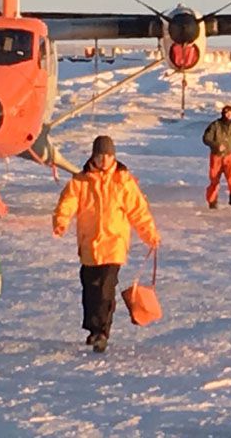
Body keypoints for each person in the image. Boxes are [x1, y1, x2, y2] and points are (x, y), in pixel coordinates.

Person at [52, 135, 161, 353]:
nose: (104, 160)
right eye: (100, 156)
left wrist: (149, 234)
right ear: (94, 156)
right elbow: (67, 203)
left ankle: (102, 331)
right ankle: (93, 329)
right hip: (90, 245)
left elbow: (137, 210)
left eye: (109, 156)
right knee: (90, 288)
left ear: (114, 157)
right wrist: (61, 221)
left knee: (105, 289)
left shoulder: (123, 180)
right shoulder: (81, 181)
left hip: (114, 244)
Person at [202, 105, 231, 210]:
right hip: (216, 157)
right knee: (214, 180)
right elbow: (206, 139)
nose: (228, 115)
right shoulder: (215, 125)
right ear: (223, 114)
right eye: (226, 113)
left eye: (230, 113)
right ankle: (212, 201)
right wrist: (216, 145)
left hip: (228, 156)